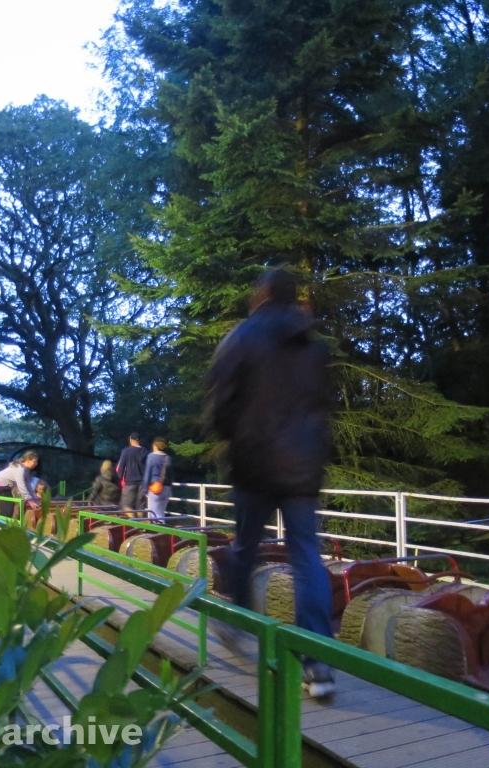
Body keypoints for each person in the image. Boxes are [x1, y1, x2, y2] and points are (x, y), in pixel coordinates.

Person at [205, 267, 336, 699]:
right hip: (302, 468)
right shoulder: (314, 346)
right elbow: (322, 408)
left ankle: (239, 621)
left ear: (261, 294)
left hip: (254, 463)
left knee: (245, 546)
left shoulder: (241, 338)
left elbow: (221, 405)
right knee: (306, 557)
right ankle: (316, 662)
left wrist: (234, 439)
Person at [0, 451, 39, 521]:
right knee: (8, 506)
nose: (36, 464)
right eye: (34, 461)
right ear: (28, 460)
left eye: (36, 462)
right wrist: (29, 499)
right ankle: (4, 526)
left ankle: (3, 524)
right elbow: (21, 485)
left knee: (7, 505)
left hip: (4, 485)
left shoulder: (25, 469)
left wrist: (33, 498)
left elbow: (27, 484)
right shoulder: (20, 469)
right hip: (1, 484)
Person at [115, 433, 148, 515]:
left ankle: (133, 523)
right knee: (140, 506)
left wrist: (117, 481)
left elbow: (121, 467)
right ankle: (141, 526)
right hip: (142, 483)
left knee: (125, 504)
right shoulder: (145, 452)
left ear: (131, 440)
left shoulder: (126, 451)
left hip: (130, 482)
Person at [143, 437, 172, 520]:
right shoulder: (168, 458)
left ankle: (159, 530)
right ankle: (163, 529)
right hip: (166, 487)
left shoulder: (151, 457)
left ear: (155, 446)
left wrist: (145, 489)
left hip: (155, 488)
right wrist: (170, 489)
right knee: (161, 512)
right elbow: (170, 475)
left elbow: (147, 474)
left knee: (154, 513)